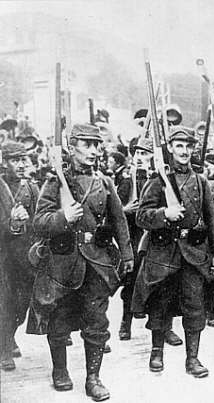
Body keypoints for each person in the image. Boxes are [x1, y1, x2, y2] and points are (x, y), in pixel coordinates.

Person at [29, 123, 134, 401]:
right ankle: (60, 370)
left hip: (97, 262)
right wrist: (63, 217)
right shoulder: (55, 181)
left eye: (96, 145)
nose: (93, 150)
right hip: (63, 263)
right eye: (86, 144)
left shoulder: (104, 182)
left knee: (97, 322)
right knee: (59, 319)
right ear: (71, 147)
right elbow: (38, 222)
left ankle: (93, 378)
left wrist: (127, 253)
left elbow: (119, 221)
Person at [132, 126, 214, 377]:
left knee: (195, 306)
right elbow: (141, 216)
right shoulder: (158, 180)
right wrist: (165, 214)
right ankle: (156, 352)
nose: (184, 151)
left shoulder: (200, 181)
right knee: (160, 304)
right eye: (179, 146)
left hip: (193, 254)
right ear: (170, 148)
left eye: (188, 146)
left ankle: (192, 359)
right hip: (164, 254)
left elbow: (212, 220)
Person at [0, 141, 39, 371]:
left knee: (22, 304)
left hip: (24, 257)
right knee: (5, 303)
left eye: (24, 159)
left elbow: (39, 220)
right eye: (16, 160)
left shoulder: (31, 189)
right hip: (3, 258)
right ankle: (4, 349)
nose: (22, 165)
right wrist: (11, 224)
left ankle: (9, 336)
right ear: (4, 162)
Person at [115, 137, 153, 341]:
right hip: (134, 236)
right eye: (137, 153)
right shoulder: (126, 180)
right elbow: (113, 210)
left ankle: (162, 328)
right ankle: (125, 322)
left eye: (144, 153)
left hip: (154, 237)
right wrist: (126, 209)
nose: (139, 157)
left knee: (159, 283)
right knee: (131, 281)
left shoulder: (159, 180)